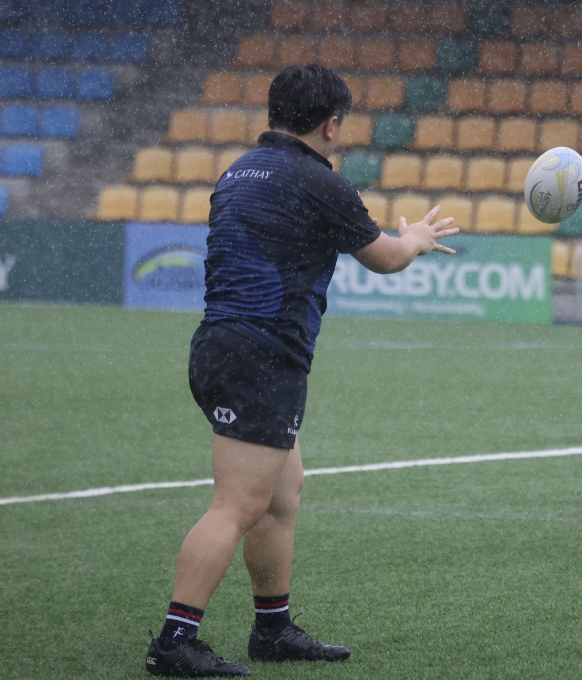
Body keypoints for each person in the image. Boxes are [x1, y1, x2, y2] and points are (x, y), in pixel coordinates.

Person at [144, 64, 458, 676]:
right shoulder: (321, 182)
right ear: (332, 123)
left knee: (281, 494)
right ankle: (174, 641)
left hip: (223, 346)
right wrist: (415, 237)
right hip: (260, 355)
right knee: (236, 504)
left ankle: (273, 628)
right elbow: (386, 259)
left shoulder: (240, 170)